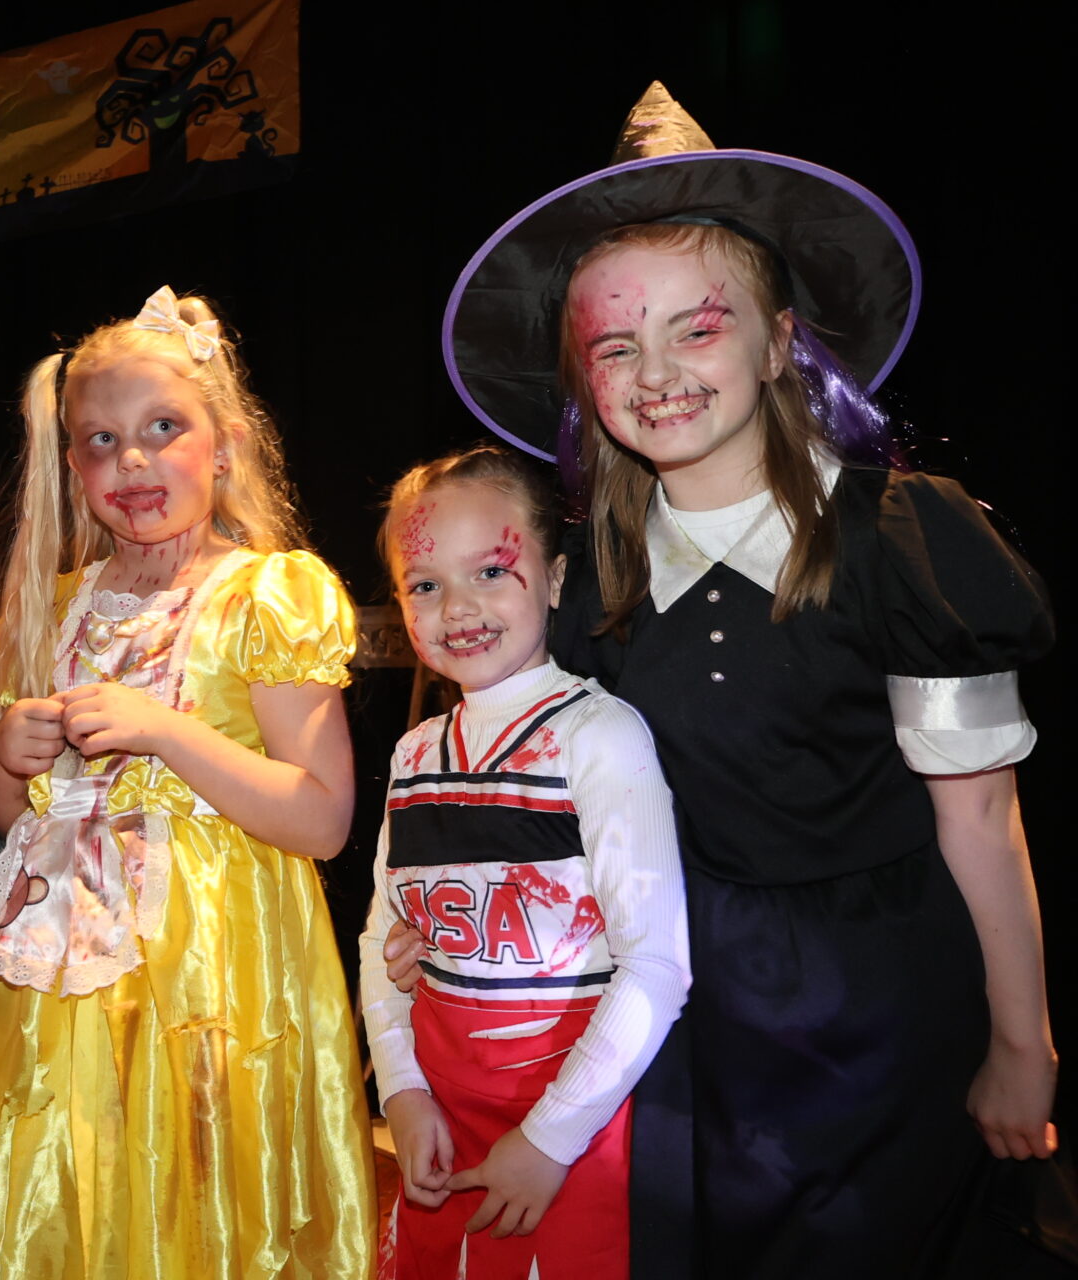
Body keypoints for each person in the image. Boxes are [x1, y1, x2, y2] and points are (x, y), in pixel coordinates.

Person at [384, 83, 1057, 1277]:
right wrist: (430, 925)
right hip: (679, 1034)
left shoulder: (899, 541)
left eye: (696, 328)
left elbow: (983, 819)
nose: (656, 372)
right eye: (615, 345)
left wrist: (1023, 1042)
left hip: (881, 1025)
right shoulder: (579, 582)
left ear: (780, 340)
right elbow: (534, 801)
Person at [0, 287, 376, 1278]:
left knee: (191, 1209)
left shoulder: (265, 594)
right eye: (101, 441)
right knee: (76, 1204)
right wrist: (8, 759)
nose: (132, 461)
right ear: (72, 467)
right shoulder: (56, 605)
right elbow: (10, 818)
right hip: (64, 996)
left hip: (214, 988)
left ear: (226, 447)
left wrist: (166, 732)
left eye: (164, 429)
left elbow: (323, 817)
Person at [358, 443, 688, 1279]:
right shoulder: (413, 756)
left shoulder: (598, 736)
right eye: (425, 585)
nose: (458, 608)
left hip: (573, 1134)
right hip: (442, 1131)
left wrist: (548, 1141)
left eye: (490, 572)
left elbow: (656, 966)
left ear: (555, 578)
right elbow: (378, 943)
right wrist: (402, 1091)